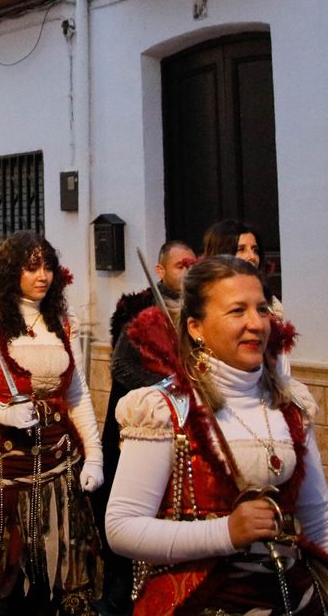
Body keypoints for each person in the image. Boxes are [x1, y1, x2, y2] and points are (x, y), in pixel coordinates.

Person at [107, 256, 328, 614]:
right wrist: (226, 533)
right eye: (237, 311)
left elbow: (320, 519)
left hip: (292, 599)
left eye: (261, 309)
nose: (256, 323)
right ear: (196, 327)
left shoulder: (290, 404)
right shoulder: (166, 410)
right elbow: (122, 528)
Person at [0, 232, 102, 613]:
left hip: (60, 470)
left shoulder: (62, 325)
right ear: (10, 272)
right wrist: (2, 413)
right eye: (32, 267)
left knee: (61, 585)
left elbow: (77, 395)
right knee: (3, 588)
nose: (43, 276)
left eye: (48, 267)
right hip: (3, 475)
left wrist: (96, 456)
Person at [97, 240, 194, 615]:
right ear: (161, 271)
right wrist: (166, 388)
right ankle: (118, 597)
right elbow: (122, 368)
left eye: (192, 266)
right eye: (180, 266)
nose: (187, 273)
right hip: (142, 431)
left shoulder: (200, 311)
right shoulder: (140, 314)